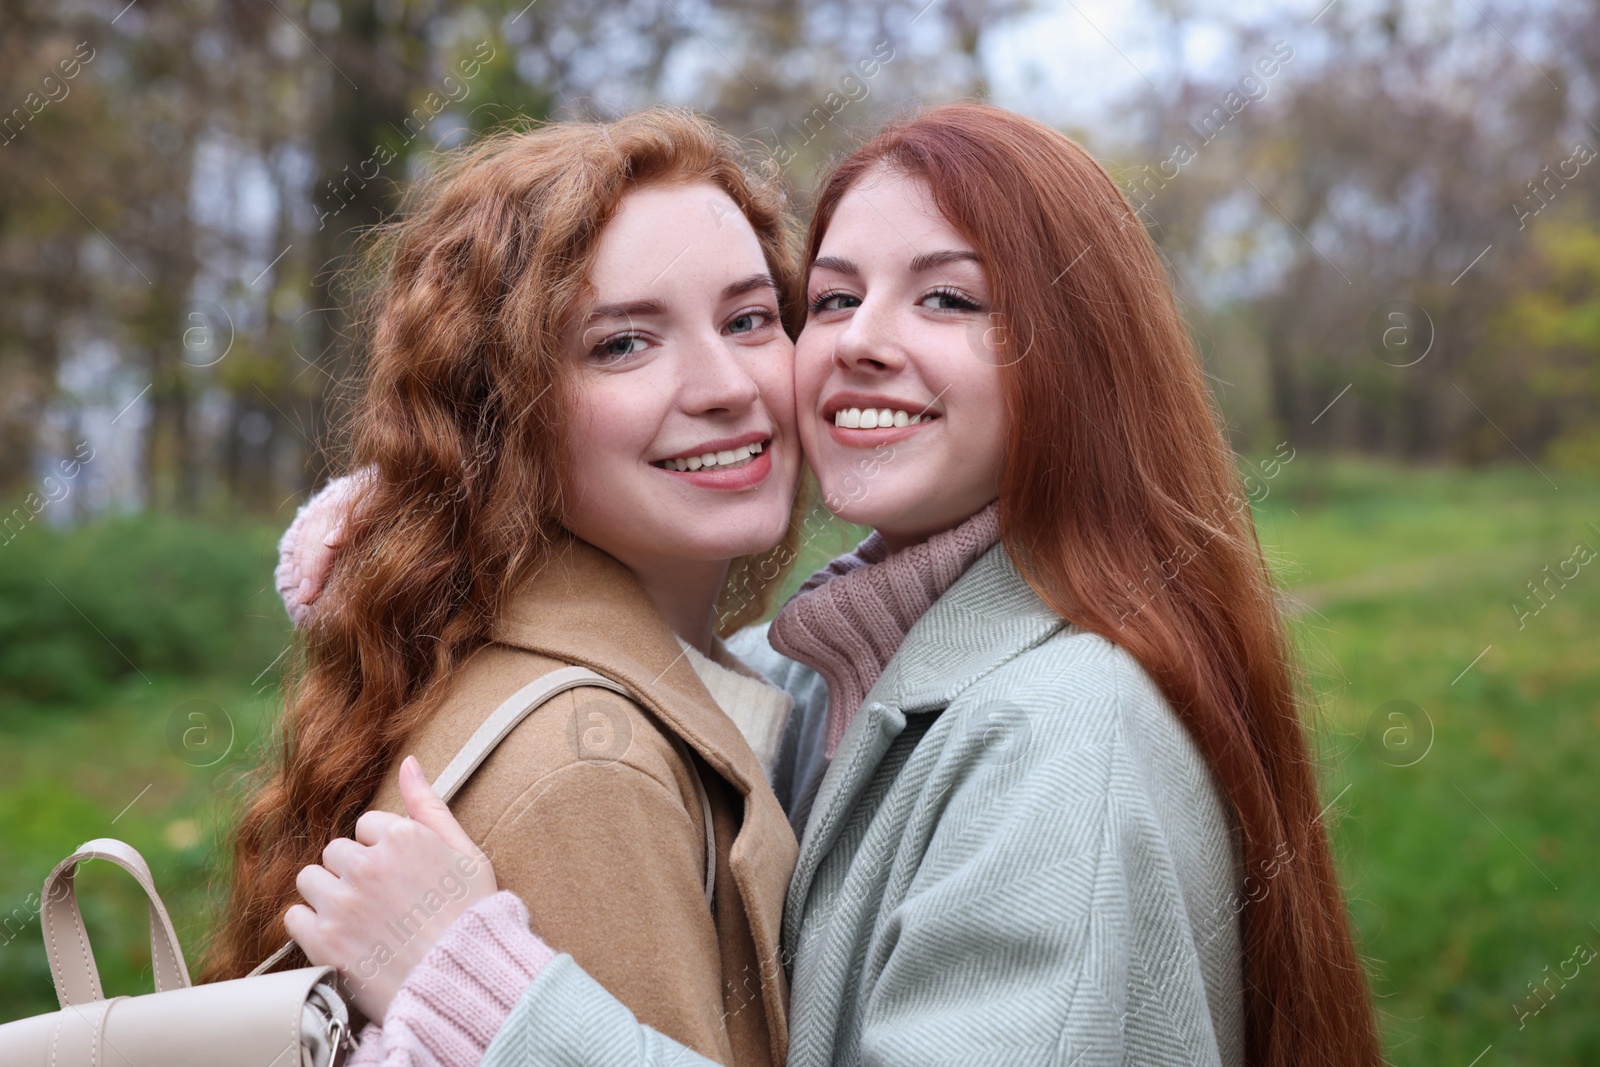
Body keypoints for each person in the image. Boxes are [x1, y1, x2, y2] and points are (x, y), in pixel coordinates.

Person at [277, 103, 1382, 1066]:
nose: (860, 343)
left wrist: (492, 1003)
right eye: (836, 299)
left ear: (1075, 360)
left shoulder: (1062, 742)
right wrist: (428, 516)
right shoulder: (833, 676)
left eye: (947, 301)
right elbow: (705, 672)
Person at [201, 107, 813, 1067]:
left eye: (749, 319)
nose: (725, 382)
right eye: (623, 344)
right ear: (504, 412)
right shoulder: (589, 762)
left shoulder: (491, 646)